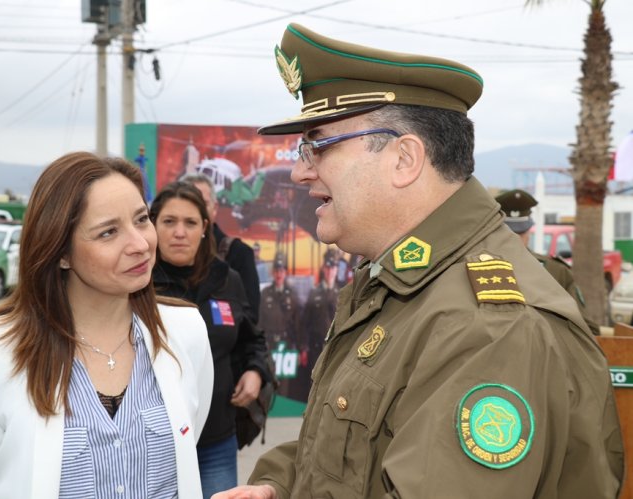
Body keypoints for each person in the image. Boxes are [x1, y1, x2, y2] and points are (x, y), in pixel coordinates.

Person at [215, 23, 623, 498]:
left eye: (317, 146)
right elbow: (346, 447)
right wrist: (278, 485)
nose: (300, 171)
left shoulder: (486, 326)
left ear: (404, 160)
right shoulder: (406, 284)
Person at [0, 152, 214, 499]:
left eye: (141, 219)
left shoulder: (185, 332)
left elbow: (189, 439)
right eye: (108, 232)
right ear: (61, 252)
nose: (139, 244)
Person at [149, 181, 271, 499]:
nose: (180, 232)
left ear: (205, 227)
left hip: (217, 440)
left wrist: (255, 371)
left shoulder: (227, 280)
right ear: (153, 225)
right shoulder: (137, 285)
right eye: (169, 221)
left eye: (190, 223)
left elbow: (251, 339)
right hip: (156, 443)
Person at [496, 188, 600, 335]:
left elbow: (587, 330)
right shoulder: (477, 269)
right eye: (510, 232)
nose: (516, 238)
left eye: (520, 232)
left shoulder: (556, 271)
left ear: (528, 231)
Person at [180, 172, 262, 321]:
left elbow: (250, 324)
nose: (195, 210)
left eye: (201, 203)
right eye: (188, 203)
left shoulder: (239, 254)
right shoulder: (164, 257)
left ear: (215, 208)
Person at [296, 251, 339, 400]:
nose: (330, 271)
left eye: (333, 268)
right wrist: (303, 347)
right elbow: (304, 323)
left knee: (334, 383)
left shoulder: (342, 293)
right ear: (323, 269)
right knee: (314, 382)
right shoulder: (314, 293)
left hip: (336, 347)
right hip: (316, 346)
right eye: (327, 268)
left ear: (336, 270)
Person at [258, 252, 301, 398]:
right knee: (268, 380)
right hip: (268, 344)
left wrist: (300, 348)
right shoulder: (265, 294)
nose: (279, 274)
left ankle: (281, 411)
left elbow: (297, 325)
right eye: (276, 270)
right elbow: (260, 322)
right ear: (272, 272)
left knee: (283, 382)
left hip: (285, 344)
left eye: (282, 270)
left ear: (285, 273)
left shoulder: (292, 295)